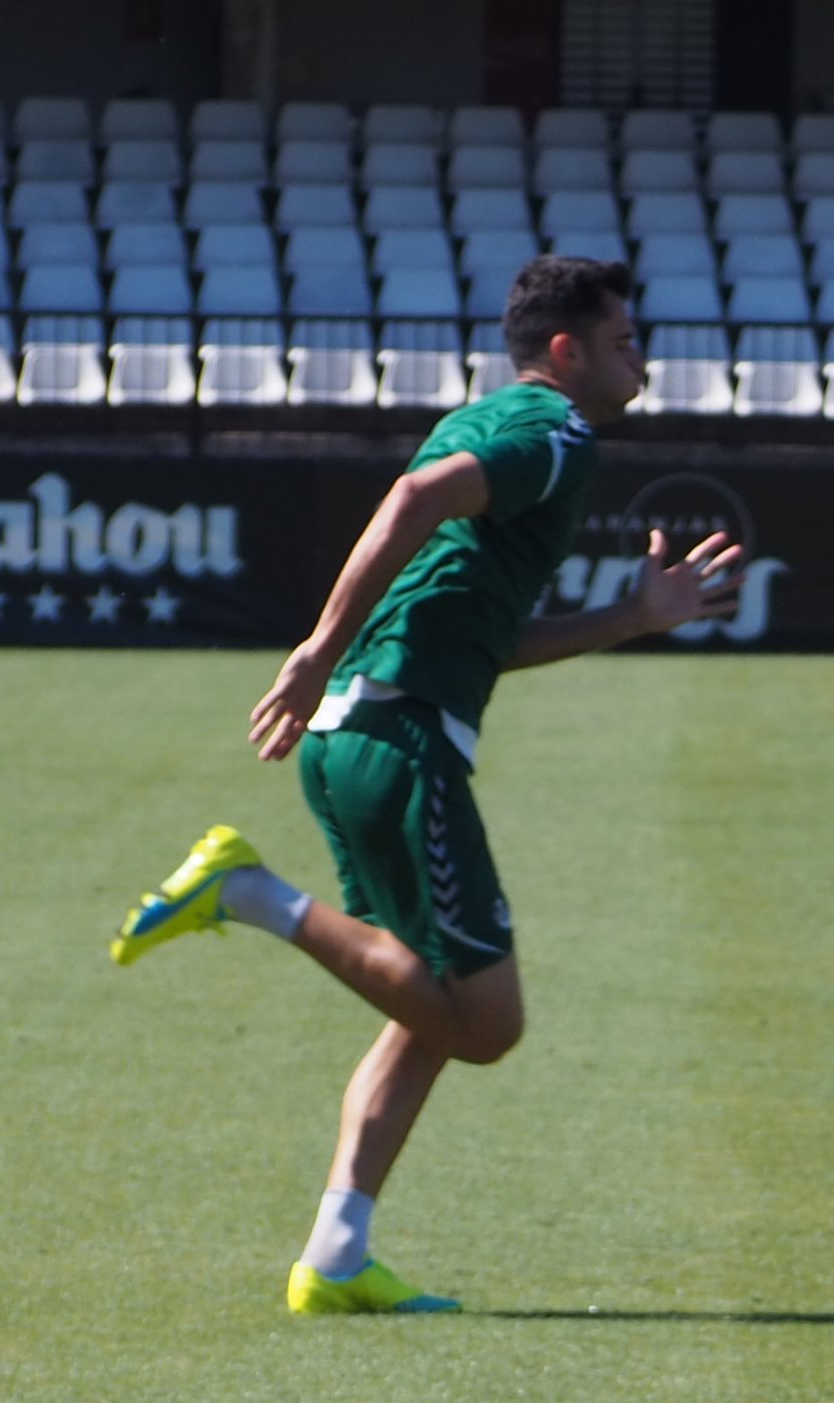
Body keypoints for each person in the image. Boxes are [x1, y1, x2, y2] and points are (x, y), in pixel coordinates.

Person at [106, 256, 743, 1314]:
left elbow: (483, 633)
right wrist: (315, 650)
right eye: (627, 340)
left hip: (370, 733)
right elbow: (412, 497)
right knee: (487, 1025)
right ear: (564, 351)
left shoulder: (493, 427)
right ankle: (246, 893)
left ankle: (337, 1255)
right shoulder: (553, 433)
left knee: (427, 1007)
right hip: (398, 743)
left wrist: (632, 619)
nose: (642, 358)